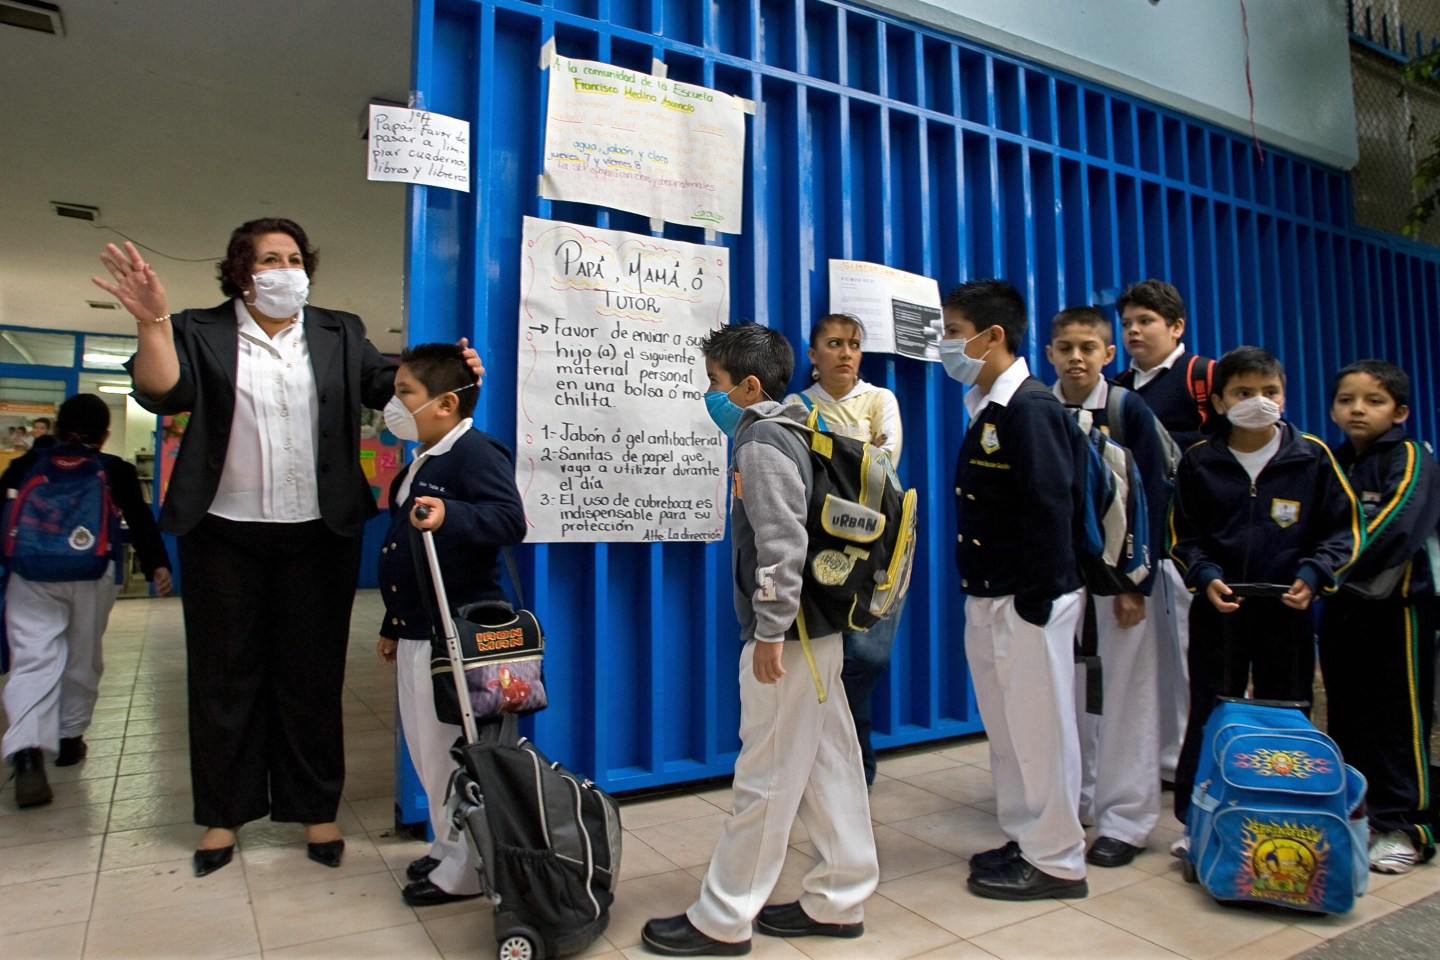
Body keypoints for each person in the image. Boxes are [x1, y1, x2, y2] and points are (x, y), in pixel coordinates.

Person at [90, 222, 482, 877]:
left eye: (295, 258)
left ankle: (314, 810)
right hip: (223, 532)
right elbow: (162, 392)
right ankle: (224, 814)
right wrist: (152, 320)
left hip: (317, 534)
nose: (286, 269)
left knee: (311, 675)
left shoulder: (338, 332)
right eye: (270, 258)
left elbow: (393, 396)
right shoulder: (199, 328)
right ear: (242, 273)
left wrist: (455, 379)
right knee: (223, 676)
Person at [642, 323, 878, 956]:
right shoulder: (800, 426)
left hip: (789, 635)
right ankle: (840, 898)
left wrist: (770, 630)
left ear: (749, 387)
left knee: (767, 773)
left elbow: (782, 543)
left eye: (715, 382)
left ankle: (723, 918)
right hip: (817, 630)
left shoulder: (761, 441)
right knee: (830, 764)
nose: (709, 395)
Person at [1168, 346, 1361, 846]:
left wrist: (1314, 575)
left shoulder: (1312, 457)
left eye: (1269, 391)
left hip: (1287, 610)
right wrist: (1205, 574)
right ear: (1218, 401)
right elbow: (1183, 535)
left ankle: (1289, 813)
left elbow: (1343, 531)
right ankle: (1197, 822)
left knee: (1288, 713)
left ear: (1285, 395)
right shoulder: (1199, 461)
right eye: (1243, 393)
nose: (1258, 401)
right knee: (1211, 713)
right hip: (1220, 610)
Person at [943, 280, 1088, 900]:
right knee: (1007, 734)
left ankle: (1058, 861)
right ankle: (1027, 835)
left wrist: (1035, 601)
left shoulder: (1030, 408)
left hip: (1028, 599)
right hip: (991, 591)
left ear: (993, 335)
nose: (946, 344)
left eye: (954, 332)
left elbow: (1051, 507)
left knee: (1040, 732)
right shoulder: (987, 406)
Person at [374, 343, 526, 906]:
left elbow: (509, 520)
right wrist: (393, 622)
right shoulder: (425, 456)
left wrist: (451, 514)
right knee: (426, 750)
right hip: (418, 628)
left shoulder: (474, 452)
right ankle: (447, 846)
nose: (394, 404)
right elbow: (404, 549)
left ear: (445, 404)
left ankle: (465, 870)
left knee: (453, 751)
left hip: (455, 635)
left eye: (405, 393)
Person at [1045, 306, 1173, 867]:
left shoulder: (1127, 409)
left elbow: (1153, 497)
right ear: (1050, 353)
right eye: (1065, 348)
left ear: (1108, 354)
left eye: (1088, 348)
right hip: (1058, 581)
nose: (1076, 358)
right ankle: (1073, 801)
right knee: (1066, 696)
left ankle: (1126, 818)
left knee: (1126, 696)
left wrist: (1135, 585)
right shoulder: (1039, 407)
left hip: (1120, 580)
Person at [2, 394, 173, 808]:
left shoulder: (27, 464)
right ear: (106, 433)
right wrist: (157, 565)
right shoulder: (114, 469)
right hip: (93, 573)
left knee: (33, 659)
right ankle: (69, 739)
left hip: (30, 573)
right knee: (82, 655)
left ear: (59, 427)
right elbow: (140, 519)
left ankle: (27, 754)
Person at [1318, 360, 1440, 874]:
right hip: (1342, 607)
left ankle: (1407, 827)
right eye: (1346, 400)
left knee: (1398, 719)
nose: (1357, 410)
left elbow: (1396, 524)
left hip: (1399, 610)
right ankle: (1360, 814)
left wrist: (1325, 565)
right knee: (1347, 714)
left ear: (1400, 412)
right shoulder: (1331, 461)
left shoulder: (1409, 457)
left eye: (1373, 401)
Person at [792, 312, 905, 787]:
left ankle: (852, 755)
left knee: (868, 656)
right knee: (821, 657)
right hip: (818, 549)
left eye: (854, 344)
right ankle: (838, 770)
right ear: (814, 355)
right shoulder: (797, 406)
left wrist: (832, 453)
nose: (846, 353)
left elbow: (886, 462)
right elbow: (803, 476)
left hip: (880, 545)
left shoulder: (880, 399)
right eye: (834, 343)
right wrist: (860, 448)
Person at [1112, 279, 1217, 788]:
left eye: (1146, 321)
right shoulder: (1117, 389)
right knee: (1147, 660)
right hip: (1137, 544)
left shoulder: (1204, 378)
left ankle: (1195, 763)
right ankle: (1159, 760)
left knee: (1191, 659)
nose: (1134, 331)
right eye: (1127, 323)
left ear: (1176, 327)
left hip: (1190, 546)